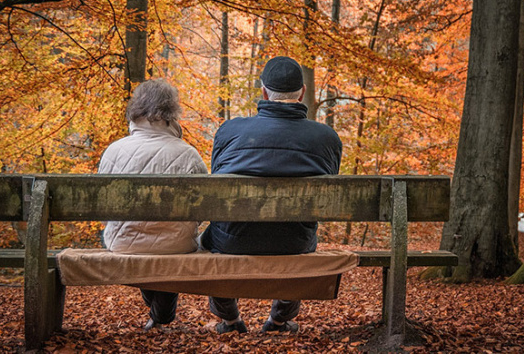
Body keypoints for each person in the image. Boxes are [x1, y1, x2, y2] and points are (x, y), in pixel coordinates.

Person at [200, 56, 343, 334]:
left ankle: (230, 321)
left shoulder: (229, 131)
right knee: (297, 234)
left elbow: (218, 180)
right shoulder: (326, 138)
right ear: (302, 93)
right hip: (294, 242)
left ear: (263, 92)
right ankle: (279, 321)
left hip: (232, 241)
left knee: (216, 235)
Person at [100, 79, 207, 332]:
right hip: (177, 244)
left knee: (146, 247)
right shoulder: (188, 154)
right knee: (168, 246)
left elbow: (104, 209)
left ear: (136, 111)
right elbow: (203, 208)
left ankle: (159, 318)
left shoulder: (113, 151)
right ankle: (162, 317)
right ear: (172, 114)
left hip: (122, 242)